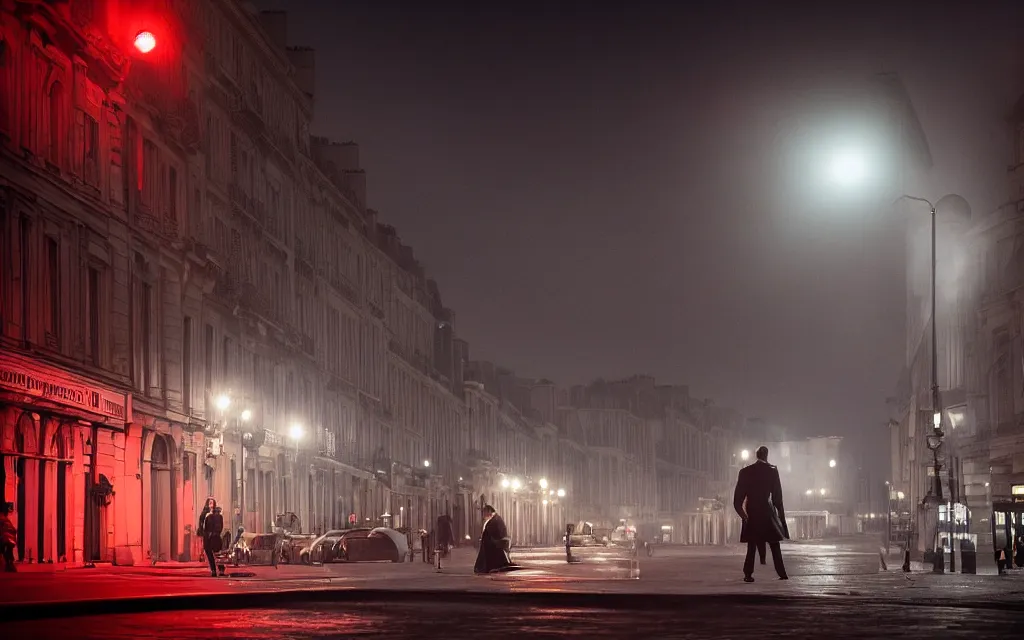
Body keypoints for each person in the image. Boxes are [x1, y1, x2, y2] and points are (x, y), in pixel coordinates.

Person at [733, 446, 789, 582]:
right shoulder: (772, 471)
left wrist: (744, 516)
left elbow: (737, 500)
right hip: (767, 512)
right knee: (775, 545)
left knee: (751, 546)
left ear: (756, 455)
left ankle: (748, 574)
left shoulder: (745, 472)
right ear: (766, 455)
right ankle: (782, 573)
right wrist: (782, 521)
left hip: (752, 511)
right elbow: (777, 499)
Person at [473, 504, 519, 574]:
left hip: (498, 542)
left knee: (488, 546)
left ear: (489, 511)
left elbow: (495, 533)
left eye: (485, 512)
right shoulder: (494, 519)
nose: (484, 515)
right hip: (497, 541)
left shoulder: (495, 520)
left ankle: (486, 566)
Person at [202, 504, 225, 577]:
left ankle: (213, 570)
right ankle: (221, 570)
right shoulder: (220, 517)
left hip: (208, 538)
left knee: (211, 556)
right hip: (216, 538)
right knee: (218, 555)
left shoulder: (208, 517)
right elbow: (220, 528)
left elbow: (205, 528)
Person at [1, 502, 17, 572]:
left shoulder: (3, 520)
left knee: (7, 549)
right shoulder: (5, 520)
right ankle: (9, 563)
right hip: (7, 540)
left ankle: (8, 563)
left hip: (6, 539)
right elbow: (13, 530)